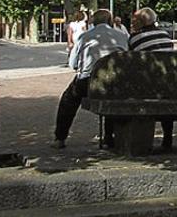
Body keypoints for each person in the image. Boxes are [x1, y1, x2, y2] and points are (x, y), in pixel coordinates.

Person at [51, 9, 127, 149]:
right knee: (111, 97)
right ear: (110, 22)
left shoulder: (84, 37)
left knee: (68, 100)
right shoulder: (122, 36)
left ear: (93, 22)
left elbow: (72, 64)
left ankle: (60, 137)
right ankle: (108, 137)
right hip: (114, 83)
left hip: (88, 82)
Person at [127, 7, 176, 149]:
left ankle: (141, 139)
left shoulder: (135, 39)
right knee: (165, 98)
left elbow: (131, 63)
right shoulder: (165, 36)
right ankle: (168, 136)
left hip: (146, 87)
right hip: (168, 87)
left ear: (142, 22)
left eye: (135, 19)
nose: (132, 22)